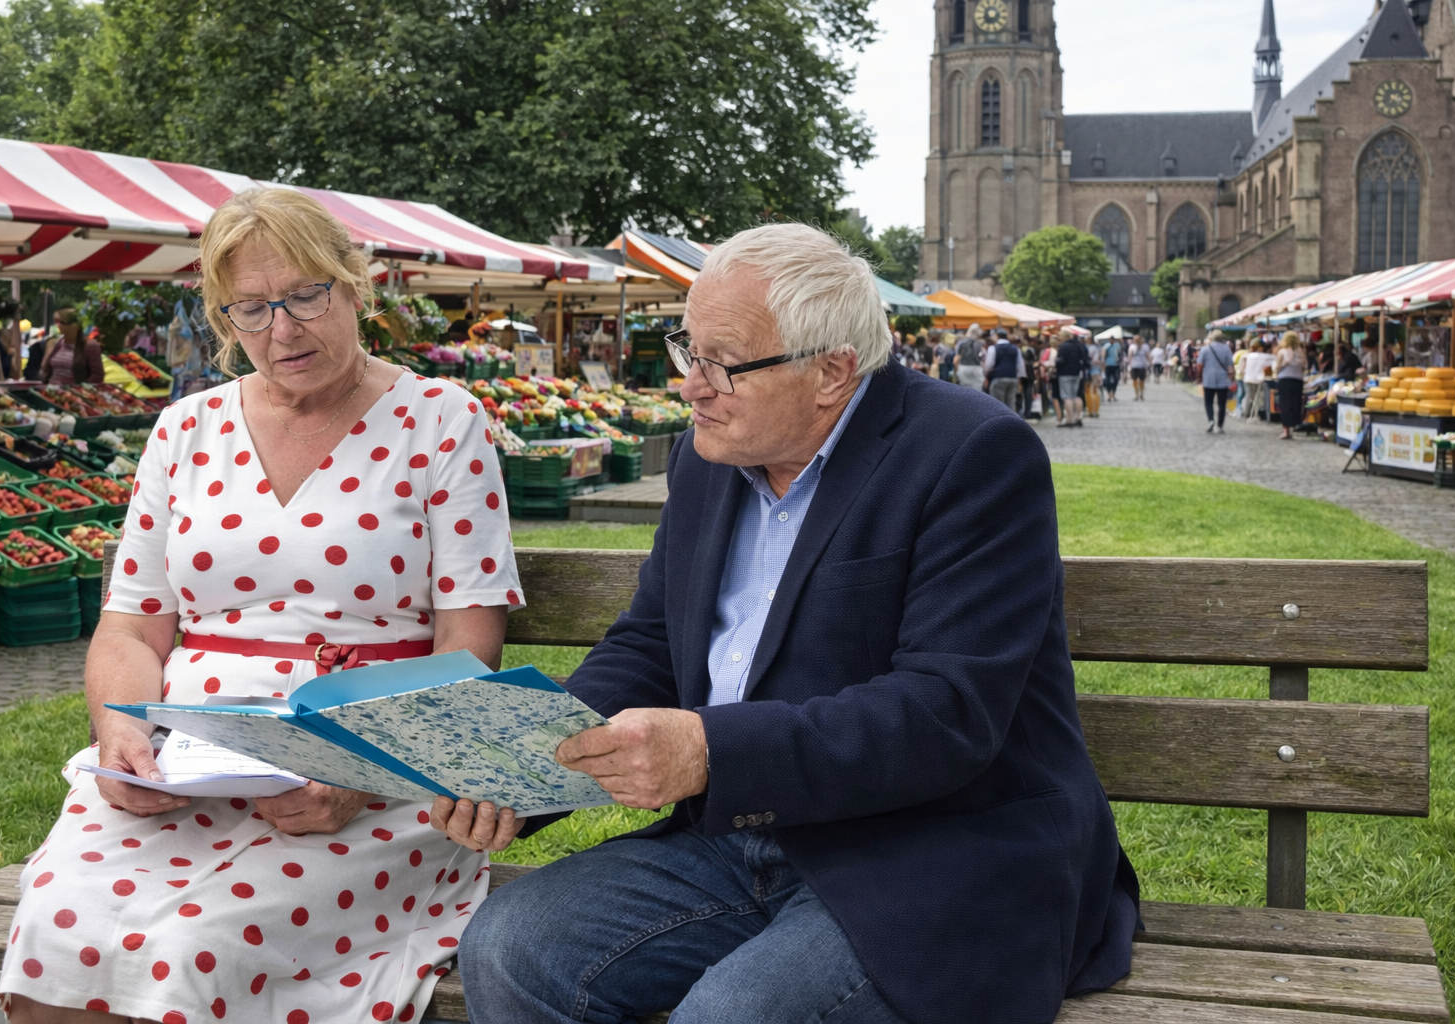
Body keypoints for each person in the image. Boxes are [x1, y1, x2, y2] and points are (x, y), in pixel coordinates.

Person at [449, 222, 1138, 1024]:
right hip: (738, 835)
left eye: (721, 363)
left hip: (934, 847)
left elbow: (946, 712)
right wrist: (525, 770)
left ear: (833, 372)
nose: (690, 386)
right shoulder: (711, 459)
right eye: (687, 350)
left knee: (732, 1016)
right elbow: (650, 646)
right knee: (508, 948)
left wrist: (710, 752)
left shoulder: (973, 453)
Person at [0, 188, 526, 1024]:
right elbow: (132, 626)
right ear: (223, 317)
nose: (282, 329)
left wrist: (359, 775)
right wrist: (120, 734)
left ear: (355, 287)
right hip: (189, 768)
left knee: (192, 948)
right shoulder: (184, 430)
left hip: (369, 777)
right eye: (251, 308)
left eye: (305, 296)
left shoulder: (440, 420)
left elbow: (468, 653)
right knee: (58, 938)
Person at [37, 308, 105, 386]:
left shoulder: (90, 346)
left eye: (60, 322)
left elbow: (98, 375)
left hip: (74, 394)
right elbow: (45, 370)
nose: (57, 325)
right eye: (55, 322)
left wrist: (80, 390)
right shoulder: (56, 343)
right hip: (51, 390)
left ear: (73, 326)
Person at [1198, 329, 1235, 433]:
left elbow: (1199, 364)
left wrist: (1199, 376)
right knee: (1222, 403)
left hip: (1208, 378)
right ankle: (1219, 425)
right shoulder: (1226, 349)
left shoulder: (1205, 349)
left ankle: (1211, 420)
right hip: (1222, 379)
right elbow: (1230, 364)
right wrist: (1232, 376)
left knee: (1208, 402)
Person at [1273, 330, 1307, 440]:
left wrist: (1281, 367)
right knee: (1296, 403)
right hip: (1298, 380)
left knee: (1285, 404)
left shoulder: (1282, 351)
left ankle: (1286, 430)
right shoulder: (1301, 351)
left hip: (1285, 379)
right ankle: (1294, 425)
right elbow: (1305, 365)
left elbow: (1277, 367)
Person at [1054, 330, 1090, 427]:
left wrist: (1056, 367)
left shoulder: (1063, 346)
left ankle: (1069, 420)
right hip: (1077, 373)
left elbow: (1059, 360)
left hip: (1064, 373)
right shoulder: (1078, 345)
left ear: (1064, 337)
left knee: (1067, 397)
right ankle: (1078, 417)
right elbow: (1085, 359)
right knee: (1076, 395)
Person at [984, 329, 1023, 414]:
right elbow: (1020, 366)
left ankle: (1001, 425)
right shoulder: (1016, 349)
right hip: (1013, 378)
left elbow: (989, 365)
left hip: (998, 378)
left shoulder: (993, 348)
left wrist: (987, 374)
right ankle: (1012, 424)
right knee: (1011, 404)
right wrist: (1018, 379)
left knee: (998, 405)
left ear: (997, 336)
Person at [1242, 339, 1274, 421]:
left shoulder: (1248, 355)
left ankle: (1246, 413)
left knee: (1249, 395)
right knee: (1257, 397)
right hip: (1258, 379)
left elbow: (1243, 368)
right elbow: (1270, 367)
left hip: (1248, 378)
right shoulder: (1266, 357)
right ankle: (1255, 413)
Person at [1126, 334, 1150, 400]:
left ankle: (1141, 394)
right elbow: (1130, 356)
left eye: (1138, 339)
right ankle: (1136, 395)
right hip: (1134, 365)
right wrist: (1129, 366)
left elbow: (1147, 356)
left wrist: (1149, 362)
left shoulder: (1145, 347)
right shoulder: (1132, 346)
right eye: (1136, 339)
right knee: (1135, 381)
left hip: (1142, 366)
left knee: (1142, 381)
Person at [1083, 337, 1103, 417]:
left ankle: (1091, 410)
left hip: (1089, 370)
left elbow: (1091, 359)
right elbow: (1098, 360)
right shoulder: (1096, 348)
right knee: (1094, 390)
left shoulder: (1088, 348)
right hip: (1096, 370)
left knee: (1089, 391)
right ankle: (1095, 410)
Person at [1102, 333, 1122, 400]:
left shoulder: (1117, 345)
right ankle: (1109, 394)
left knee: (1116, 380)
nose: (1111, 340)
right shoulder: (1106, 346)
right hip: (1108, 364)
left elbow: (1120, 354)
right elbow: (1103, 355)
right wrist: (1103, 363)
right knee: (1107, 380)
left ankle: (1113, 393)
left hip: (1116, 365)